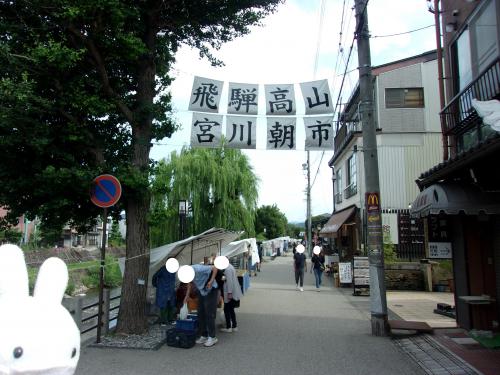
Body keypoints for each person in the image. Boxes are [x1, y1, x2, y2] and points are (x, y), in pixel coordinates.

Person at [184, 264, 219, 347]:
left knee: (209, 313)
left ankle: (212, 337)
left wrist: (211, 281)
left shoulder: (198, 268)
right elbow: (189, 283)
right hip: (202, 290)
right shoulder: (186, 272)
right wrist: (187, 295)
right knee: (200, 313)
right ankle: (204, 335)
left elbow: (215, 268)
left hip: (211, 289)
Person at [220, 263, 242, 333]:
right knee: (231, 309)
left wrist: (229, 293)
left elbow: (229, 282)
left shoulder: (228, 269)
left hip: (229, 292)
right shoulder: (230, 266)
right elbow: (227, 279)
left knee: (227, 309)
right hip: (232, 291)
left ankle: (229, 327)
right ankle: (234, 326)